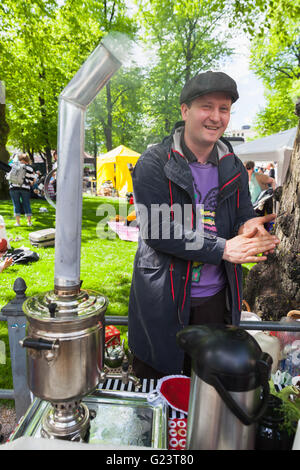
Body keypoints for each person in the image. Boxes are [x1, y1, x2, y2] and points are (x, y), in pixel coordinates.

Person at [128, 71, 280, 379]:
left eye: (223, 109)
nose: (216, 117)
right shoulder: (154, 162)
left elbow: (240, 213)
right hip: (163, 301)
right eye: (206, 107)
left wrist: (249, 229)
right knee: (159, 384)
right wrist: (224, 247)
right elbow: (158, 229)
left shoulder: (232, 164)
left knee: (207, 390)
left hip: (216, 300)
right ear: (185, 111)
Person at [8, 153, 36, 226]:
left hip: (13, 187)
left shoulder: (13, 165)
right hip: (25, 188)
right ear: (27, 160)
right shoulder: (30, 168)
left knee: (16, 204)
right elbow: (31, 181)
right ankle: (29, 222)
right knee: (26, 204)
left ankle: (18, 223)